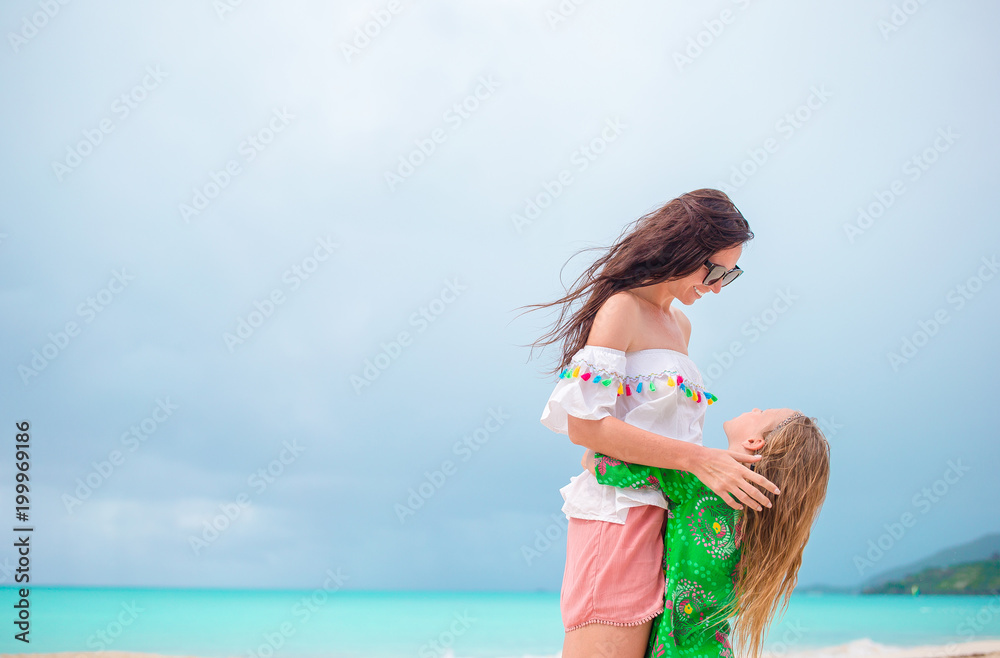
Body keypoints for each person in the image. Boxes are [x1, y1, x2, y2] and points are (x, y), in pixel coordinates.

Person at [515, 189, 780, 658]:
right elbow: (585, 427)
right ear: (683, 248)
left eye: (731, 275)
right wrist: (702, 461)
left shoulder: (681, 328)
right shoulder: (622, 308)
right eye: (715, 270)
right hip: (617, 512)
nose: (718, 286)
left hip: (666, 520)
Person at [584, 409, 831, 658]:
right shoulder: (763, 533)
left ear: (755, 442)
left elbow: (594, 461)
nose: (755, 409)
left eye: (762, 413)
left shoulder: (697, 484)